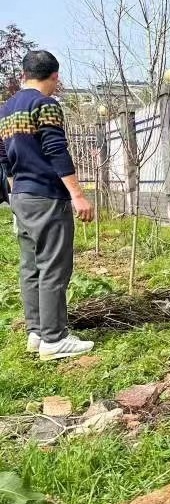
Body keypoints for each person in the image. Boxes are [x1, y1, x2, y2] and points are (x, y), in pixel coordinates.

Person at [0, 50, 94, 360]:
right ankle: (55, 339)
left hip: (21, 197)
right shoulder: (45, 105)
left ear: (24, 74)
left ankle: (37, 332)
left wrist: (16, 195)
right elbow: (56, 150)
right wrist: (77, 195)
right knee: (54, 266)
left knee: (30, 267)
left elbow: (4, 161)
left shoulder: (5, 110)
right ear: (54, 76)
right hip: (46, 197)